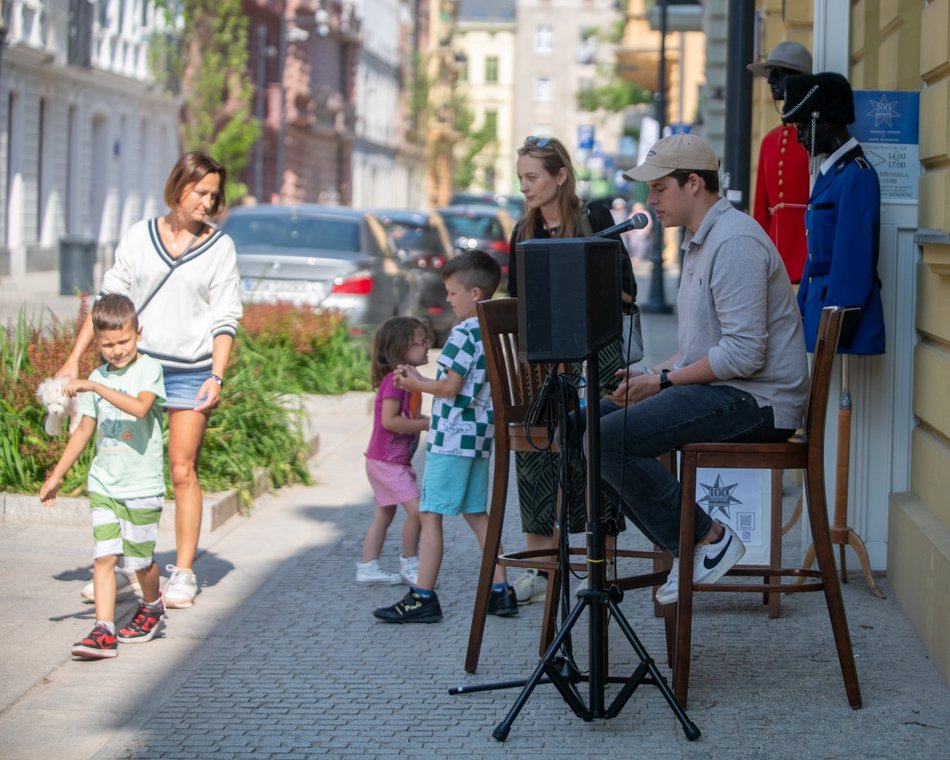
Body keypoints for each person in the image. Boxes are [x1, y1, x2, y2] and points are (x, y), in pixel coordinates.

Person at [596, 133, 809, 605]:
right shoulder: (702, 241)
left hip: (761, 403)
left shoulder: (734, 242)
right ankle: (681, 546)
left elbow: (743, 354)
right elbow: (701, 347)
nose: (649, 202)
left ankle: (706, 541)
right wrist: (652, 374)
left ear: (694, 183)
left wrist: (665, 380)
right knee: (586, 425)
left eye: (659, 189)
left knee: (608, 441)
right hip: (730, 391)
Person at [56, 151, 242, 608]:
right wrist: (73, 361)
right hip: (134, 369)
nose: (208, 202)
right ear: (178, 186)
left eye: (214, 195)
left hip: (191, 371)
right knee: (125, 472)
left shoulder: (220, 248)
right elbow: (107, 302)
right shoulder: (140, 237)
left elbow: (226, 318)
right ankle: (126, 565)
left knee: (181, 469)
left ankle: (183, 572)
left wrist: (216, 376)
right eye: (201, 191)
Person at [506, 135, 634, 605]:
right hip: (546, 358)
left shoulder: (595, 219)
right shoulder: (523, 232)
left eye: (532, 177)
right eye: (521, 177)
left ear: (560, 176)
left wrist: (580, 290)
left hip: (596, 351)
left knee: (598, 441)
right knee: (538, 442)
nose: (524, 187)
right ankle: (542, 573)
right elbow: (519, 309)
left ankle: (601, 565)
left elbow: (627, 294)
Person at [373, 250, 517, 623]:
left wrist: (418, 382)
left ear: (475, 293)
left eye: (453, 293)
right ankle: (501, 590)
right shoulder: (492, 328)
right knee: (475, 512)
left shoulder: (463, 333)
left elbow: (450, 386)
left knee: (430, 513)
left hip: (451, 436)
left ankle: (423, 595)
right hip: (479, 437)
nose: (448, 299)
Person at [40, 295, 167, 659]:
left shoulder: (148, 371)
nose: (117, 351)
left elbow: (142, 408)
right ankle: (104, 630)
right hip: (104, 484)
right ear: (97, 342)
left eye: (123, 341)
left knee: (140, 561)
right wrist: (57, 475)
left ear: (138, 334)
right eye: (108, 344)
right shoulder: (97, 375)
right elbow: (82, 432)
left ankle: (153, 607)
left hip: (141, 485)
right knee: (104, 557)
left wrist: (95, 387)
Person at [780, 72, 885, 354]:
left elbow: (853, 257)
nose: (800, 138)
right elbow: (815, 257)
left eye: (803, 128)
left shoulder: (856, 175)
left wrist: (839, 320)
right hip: (819, 305)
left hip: (839, 310)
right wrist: (802, 305)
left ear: (824, 122)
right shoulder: (832, 175)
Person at [358, 316, 430, 586]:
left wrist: (421, 420)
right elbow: (390, 421)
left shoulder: (409, 378)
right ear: (401, 347)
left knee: (384, 513)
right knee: (419, 511)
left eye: (427, 341)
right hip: (387, 463)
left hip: (386, 461)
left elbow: (406, 414)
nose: (426, 347)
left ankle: (367, 567)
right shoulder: (395, 381)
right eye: (421, 342)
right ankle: (410, 564)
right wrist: (427, 424)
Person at [747, 41, 813, 285]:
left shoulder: (816, 138)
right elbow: (761, 210)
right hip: (775, 252)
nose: (770, 80)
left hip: (807, 250)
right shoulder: (770, 140)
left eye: (777, 74)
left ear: (798, 78)